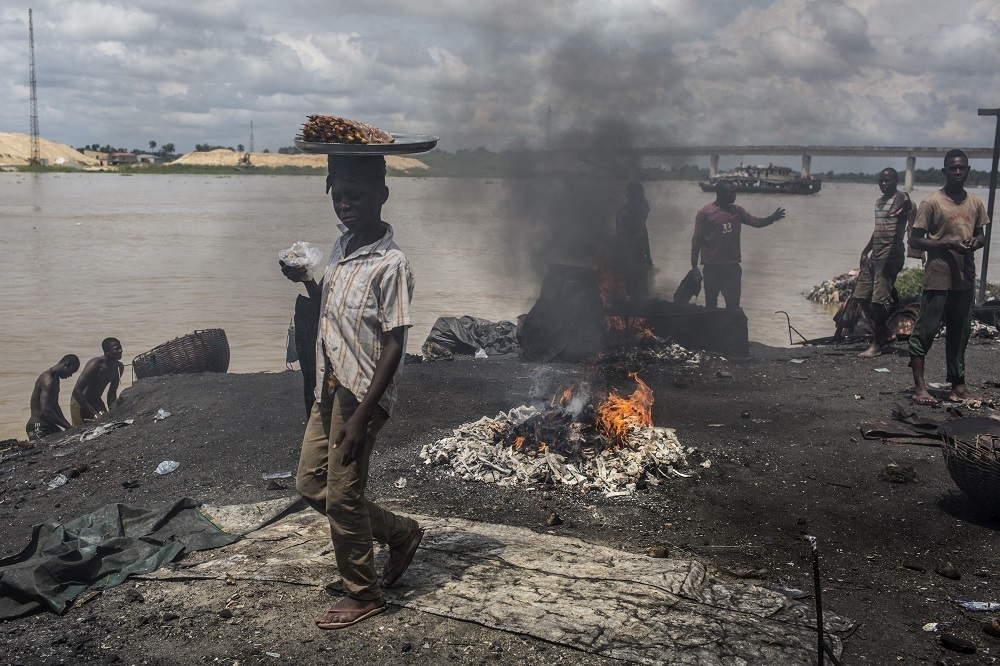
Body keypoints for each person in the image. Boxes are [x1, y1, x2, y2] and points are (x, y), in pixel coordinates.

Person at [280, 154, 422, 630]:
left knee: (343, 496)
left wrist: (362, 414)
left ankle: (364, 594)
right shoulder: (341, 246)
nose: (344, 205)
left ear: (381, 196)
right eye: (338, 197)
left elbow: (395, 341)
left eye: (355, 196)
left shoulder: (392, 263)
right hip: (330, 382)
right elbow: (333, 311)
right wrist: (307, 282)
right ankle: (400, 533)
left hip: (361, 393)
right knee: (309, 484)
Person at [908, 149, 989, 405]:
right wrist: (946, 243)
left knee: (960, 333)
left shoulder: (975, 202)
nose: (957, 172)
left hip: (964, 277)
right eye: (952, 168)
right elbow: (915, 239)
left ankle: (958, 386)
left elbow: (982, 235)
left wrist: (976, 241)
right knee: (926, 331)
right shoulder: (932, 202)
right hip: (938, 277)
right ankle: (920, 388)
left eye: (962, 168)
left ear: (968, 170)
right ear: (944, 171)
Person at [691, 180, 785, 308]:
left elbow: (755, 222)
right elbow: (696, 240)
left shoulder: (737, 211)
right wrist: (694, 267)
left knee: (733, 306)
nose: (735, 195)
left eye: (735, 192)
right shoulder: (705, 213)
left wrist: (771, 218)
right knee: (711, 305)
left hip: (732, 268)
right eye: (731, 192)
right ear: (720, 193)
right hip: (712, 268)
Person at [854, 168, 914, 357]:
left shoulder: (901, 199)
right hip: (876, 255)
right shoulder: (879, 202)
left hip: (891, 256)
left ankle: (876, 345)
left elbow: (909, 205)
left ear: (896, 181)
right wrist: (866, 251)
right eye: (881, 181)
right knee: (860, 296)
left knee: (879, 301)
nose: (883, 184)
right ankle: (886, 333)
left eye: (888, 181)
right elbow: (878, 230)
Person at [615, 180, 653, 303]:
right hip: (628, 253)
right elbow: (623, 240)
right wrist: (629, 262)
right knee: (631, 285)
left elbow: (643, 229)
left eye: (641, 195)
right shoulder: (623, 214)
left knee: (643, 285)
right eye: (637, 196)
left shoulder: (643, 206)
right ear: (630, 196)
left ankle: (643, 306)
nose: (640, 199)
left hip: (640, 251)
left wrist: (648, 254)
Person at [71, 337, 125, 425]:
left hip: (96, 400)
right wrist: (94, 413)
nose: (120, 351)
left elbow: (112, 392)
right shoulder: (94, 365)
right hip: (80, 401)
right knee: (80, 429)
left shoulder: (118, 367)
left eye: (121, 348)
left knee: (106, 421)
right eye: (116, 349)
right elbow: (77, 391)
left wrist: (113, 410)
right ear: (107, 351)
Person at [26, 355, 80, 440]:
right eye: (71, 372)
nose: (70, 375)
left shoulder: (55, 379)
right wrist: (67, 427)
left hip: (49, 424)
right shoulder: (48, 380)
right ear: (67, 364)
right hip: (38, 426)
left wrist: (68, 425)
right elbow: (45, 411)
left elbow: (55, 405)